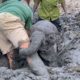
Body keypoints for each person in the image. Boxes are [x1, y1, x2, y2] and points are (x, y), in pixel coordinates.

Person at [0, 0, 32, 69]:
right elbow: (28, 30)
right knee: (26, 46)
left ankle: (11, 70)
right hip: (10, 20)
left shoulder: (6, 3)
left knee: (9, 50)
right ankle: (33, 67)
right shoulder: (28, 9)